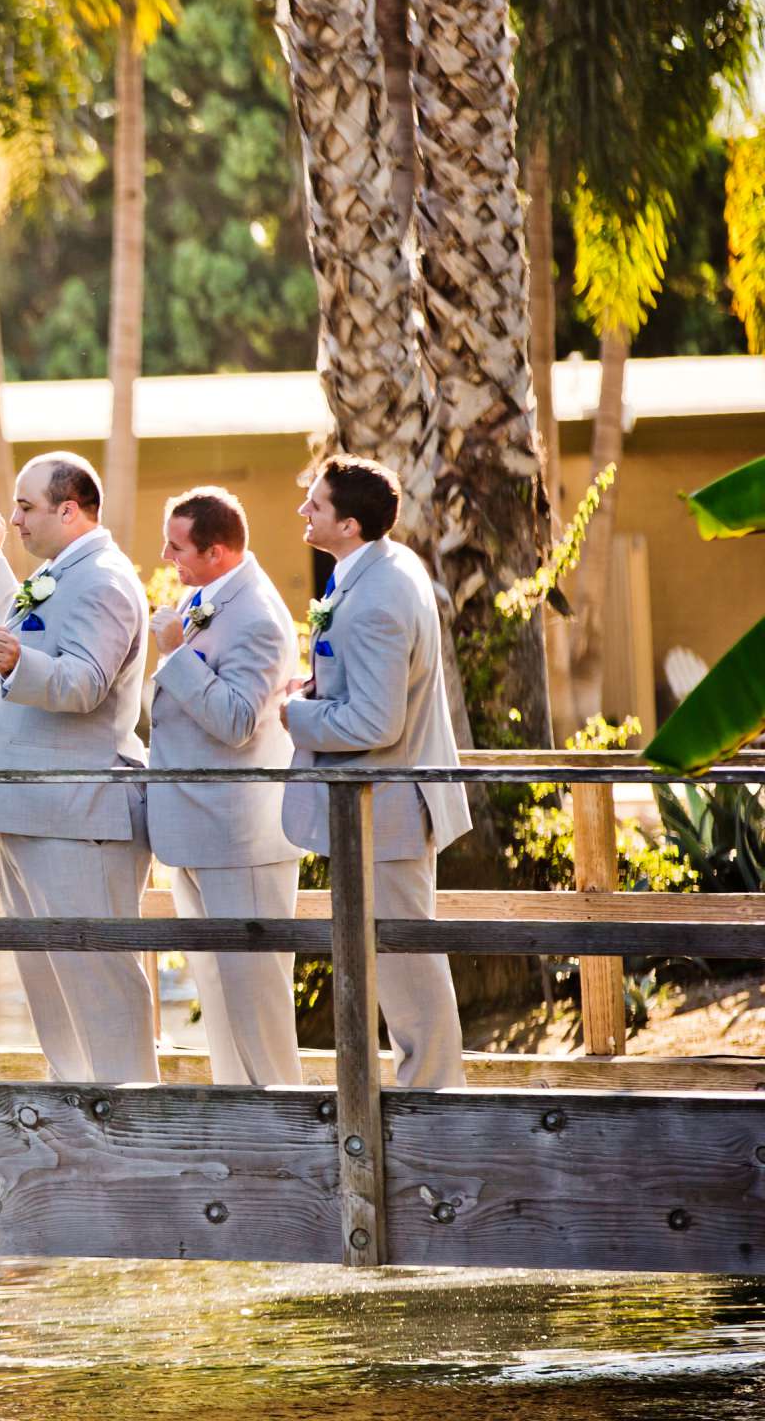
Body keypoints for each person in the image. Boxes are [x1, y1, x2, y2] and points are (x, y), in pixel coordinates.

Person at [0, 452, 158, 1085]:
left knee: (98, 982)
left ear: (69, 511)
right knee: (51, 984)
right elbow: (30, 630)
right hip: (32, 807)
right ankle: (77, 1111)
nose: (14, 518)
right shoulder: (61, 572)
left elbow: (86, 682)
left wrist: (19, 666)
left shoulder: (103, 580)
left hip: (76, 815)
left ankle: (129, 1117)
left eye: (25, 507)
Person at [282, 454, 468, 1088]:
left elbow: (374, 725)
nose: (304, 511)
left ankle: (437, 1102)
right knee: (397, 964)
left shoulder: (379, 597)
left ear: (350, 525)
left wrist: (295, 715)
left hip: (387, 807)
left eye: (317, 505)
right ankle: (426, 1093)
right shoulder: (381, 568)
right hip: (386, 804)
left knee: (408, 969)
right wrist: (318, 685)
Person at [148, 487, 304, 1085]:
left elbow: (238, 721)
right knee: (216, 993)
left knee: (257, 1004)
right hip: (194, 829)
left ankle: (286, 1131)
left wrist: (176, 653)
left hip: (241, 838)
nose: (167, 555)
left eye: (177, 545)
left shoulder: (259, 617)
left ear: (216, 551)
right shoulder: (204, 597)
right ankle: (243, 1130)